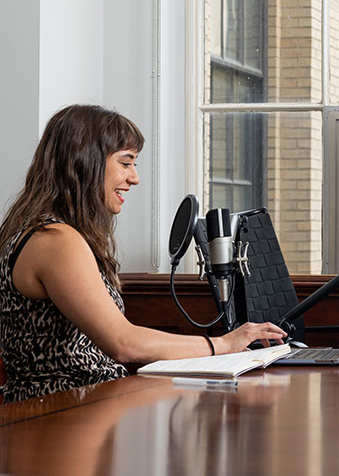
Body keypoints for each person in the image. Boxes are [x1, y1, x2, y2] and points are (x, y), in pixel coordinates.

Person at [0, 105, 286, 402]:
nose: (134, 178)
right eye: (126, 163)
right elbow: (123, 344)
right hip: (60, 414)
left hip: (81, 406)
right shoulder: (56, 240)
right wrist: (224, 345)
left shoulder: (45, 232)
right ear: (85, 163)